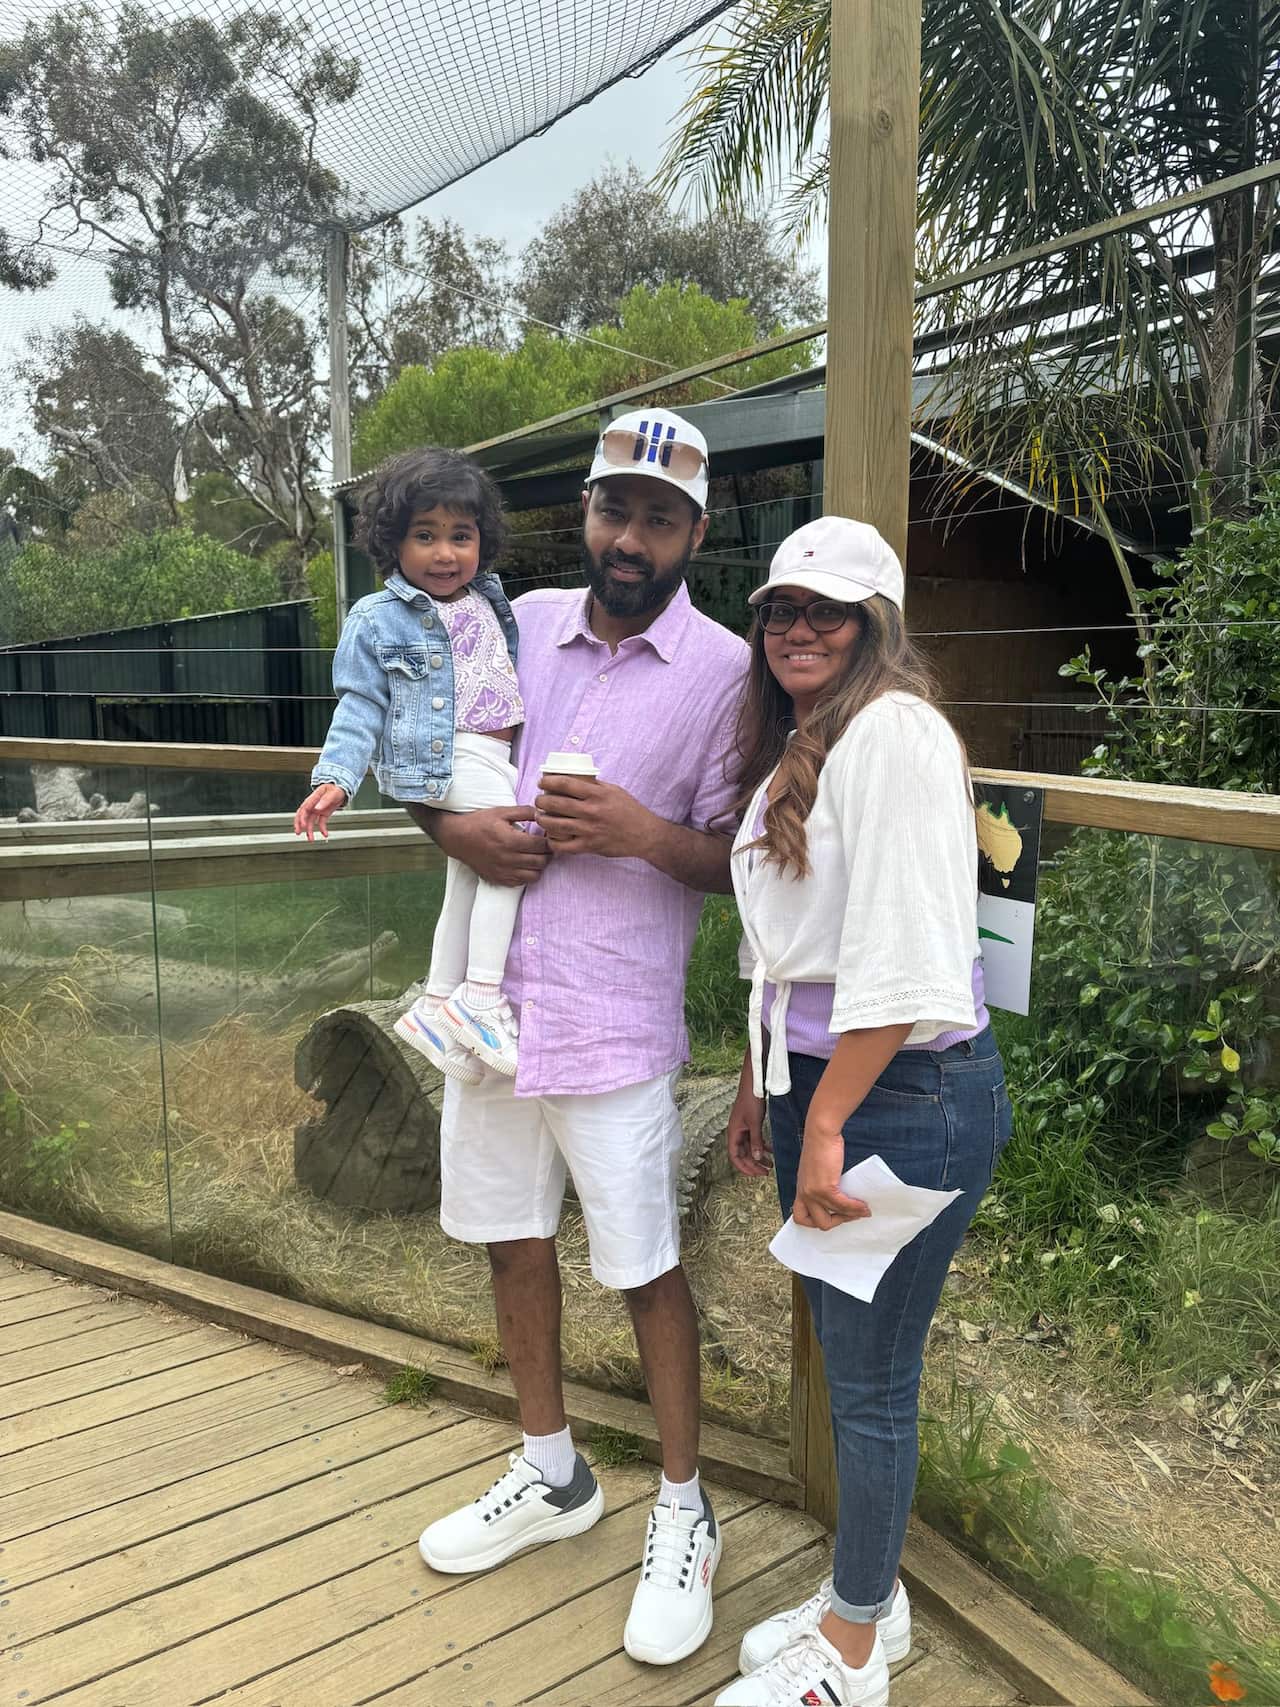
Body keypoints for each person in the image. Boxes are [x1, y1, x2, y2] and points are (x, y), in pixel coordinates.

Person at [409, 407, 749, 1668]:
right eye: (614, 510)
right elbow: (445, 767)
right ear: (588, 515)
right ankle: (551, 1474)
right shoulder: (510, 626)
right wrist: (457, 831)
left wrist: (639, 832)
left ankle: (681, 1508)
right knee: (509, 1246)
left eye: (658, 518)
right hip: (491, 1009)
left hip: (613, 1022)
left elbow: (733, 861)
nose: (630, 536)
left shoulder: (724, 672)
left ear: (693, 534)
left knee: (644, 1267)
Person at [716, 516, 1012, 1707]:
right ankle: (868, 1604)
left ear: (872, 626)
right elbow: (796, 947)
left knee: (872, 1375)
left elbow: (901, 961)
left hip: (893, 1096)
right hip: (830, 1086)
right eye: (781, 610)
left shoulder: (891, 733)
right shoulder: (812, 735)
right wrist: (762, 1082)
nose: (796, 628)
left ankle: (848, 1653)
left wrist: (824, 1124)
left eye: (824, 612)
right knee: (852, 1361)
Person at [295, 447, 527, 1079]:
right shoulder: (378, 616)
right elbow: (360, 704)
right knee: (514, 852)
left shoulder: (487, 600)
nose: (445, 553)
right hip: (448, 757)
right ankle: (481, 998)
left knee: (471, 874)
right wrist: (336, 778)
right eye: (425, 536)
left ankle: (434, 1003)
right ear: (392, 542)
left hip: (494, 754)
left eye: (461, 536)